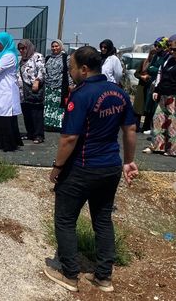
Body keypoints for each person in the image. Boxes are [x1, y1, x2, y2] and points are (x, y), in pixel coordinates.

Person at [43, 46, 138, 293]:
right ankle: (104, 277)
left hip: (82, 168)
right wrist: (128, 161)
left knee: (65, 220)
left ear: (84, 70)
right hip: (110, 168)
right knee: (103, 220)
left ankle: (70, 274)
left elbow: (69, 138)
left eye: (72, 67)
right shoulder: (119, 93)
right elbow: (129, 130)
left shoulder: (81, 95)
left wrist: (57, 167)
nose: (70, 72)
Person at [143, 35, 176, 157]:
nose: (172, 52)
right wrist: (157, 90)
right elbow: (163, 76)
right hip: (164, 94)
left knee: (174, 124)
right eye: (171, 49)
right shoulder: (171, 60)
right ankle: (158, 146)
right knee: (158, 120)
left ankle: (173, 150)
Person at [18, 39, 46, 143]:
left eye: (23, 48)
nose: (22, 50)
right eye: (20, 48)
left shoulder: (37, 56)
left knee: (36, 112)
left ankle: (39, 135)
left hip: (34, 88)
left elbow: (42, 70)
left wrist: (37, 81)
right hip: (23, 90)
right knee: (26, 112)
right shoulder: (22, 59)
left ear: (28, 47)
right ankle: (30, 133)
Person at [142, 37, 169, 134]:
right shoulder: (156, 56)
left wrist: (154, 69)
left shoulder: (165, 56)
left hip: (158, 83)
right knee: (149, 106)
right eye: (155, 45)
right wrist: (154, 69)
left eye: (159, 46)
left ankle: (155, 128)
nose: (156, 48)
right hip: (152, 83)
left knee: (155, 107)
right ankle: (148, 126)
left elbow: (159, 69)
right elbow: (149, 68)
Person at [44, 39, 71, 131]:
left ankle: (59, 125)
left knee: (59, 106)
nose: (54, 48)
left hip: (60, 86)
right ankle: (49, 125)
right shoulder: (48, 58)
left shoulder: (66, 57)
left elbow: (68, 72)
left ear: (61, 46)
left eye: (56, 46)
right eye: (53, 46)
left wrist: (70, 84)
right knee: (49, 105)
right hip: (48, 86)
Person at [132, 47, 157, 131]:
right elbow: (136, 73)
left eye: (155, 54)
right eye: (152, 54)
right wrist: (142, 77)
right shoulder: (144, 62)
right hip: (142, 87)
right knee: (138, 108)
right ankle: (136, 126)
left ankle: (146, 127)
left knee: (149, 109)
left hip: (152, 88)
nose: (153, 56)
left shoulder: (156, 65)